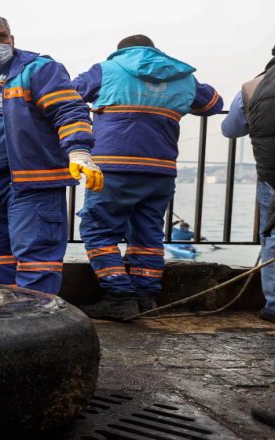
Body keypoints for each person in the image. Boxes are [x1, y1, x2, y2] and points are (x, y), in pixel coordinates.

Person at [0, 13, 101, 295]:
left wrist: (79, 150)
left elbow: (68, 109)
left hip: (30, 181)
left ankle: (38, 321)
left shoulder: (38, 69)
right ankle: (14, 314)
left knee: (36, 254)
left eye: (1, 37)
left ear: (12, 39)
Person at [73, 35, 223, 320]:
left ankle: (119, 297)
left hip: (113, 167)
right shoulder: (183, 76)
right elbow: (213, 104)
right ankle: (145, 298)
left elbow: (67, 96)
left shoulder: (106, 69)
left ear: (121, 52)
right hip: (160, 169)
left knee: (98, 230)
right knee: (147, 235)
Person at [221, 45, 275, 324]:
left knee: (272, 235)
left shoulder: (253, 86)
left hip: (271, 173)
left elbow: (230, 129)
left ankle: (274, 305)